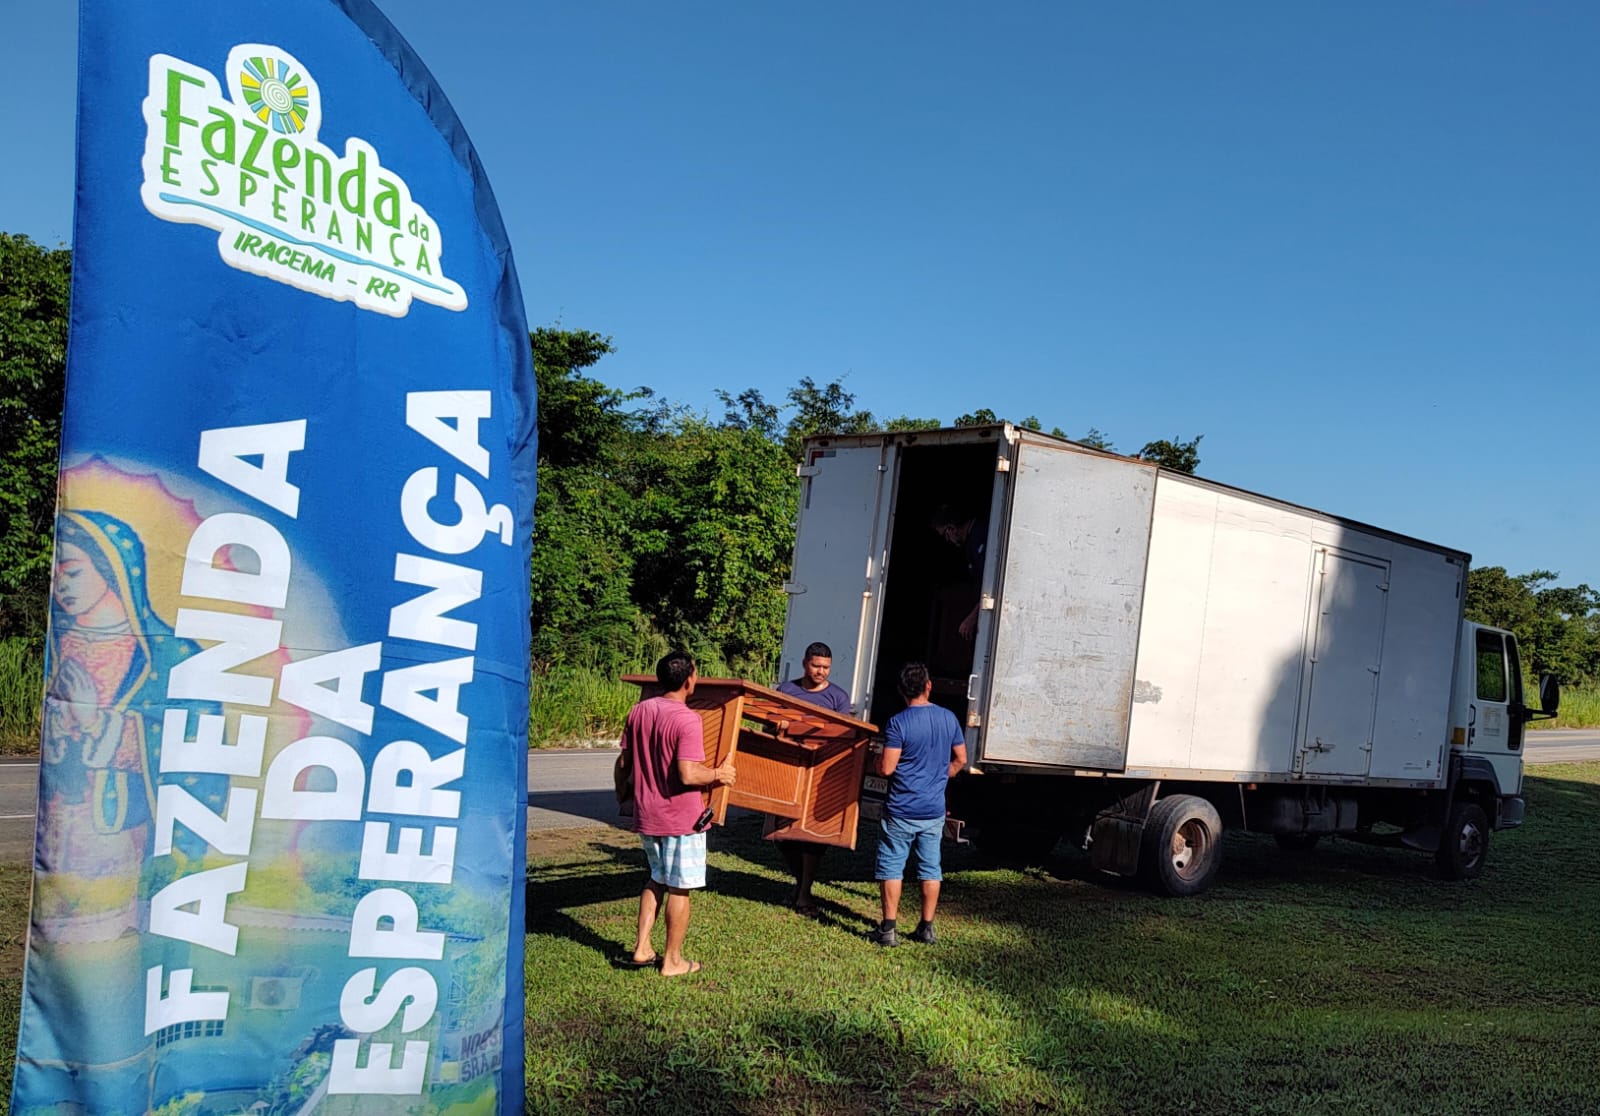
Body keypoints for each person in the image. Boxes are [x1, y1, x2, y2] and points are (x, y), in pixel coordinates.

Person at [615, 650, 737, 976]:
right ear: (689, 680)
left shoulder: (639, 711)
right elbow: (688, 774)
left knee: (655, 877)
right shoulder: (687, 719)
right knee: (679, 888)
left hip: (646, 814)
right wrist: (718, 774)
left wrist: (621, 794)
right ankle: (672, 961)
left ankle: (641, 948)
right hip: (681, 818)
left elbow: (623, 763)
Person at [868, 661, 967, 947]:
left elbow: (886, 768)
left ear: (901, 690)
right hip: (933, 809)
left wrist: (874, 758)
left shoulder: (898, 723)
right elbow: (960, 759)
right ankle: (926, 927)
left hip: (901, 808)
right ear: (928, 686)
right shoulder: (948, 718)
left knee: (891, 866)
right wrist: (942, 774)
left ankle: (888, 929)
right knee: (930, 868)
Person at [773, 641, 850, 916]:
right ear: (805, 663)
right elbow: (771, 725)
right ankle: (801, 886)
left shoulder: (838, 698)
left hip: (820, 774)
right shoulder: (787, 690)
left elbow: (843, 737)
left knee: (813, 839)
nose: (820, 672)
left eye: (826, 668)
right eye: (816, 666)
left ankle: (804, 893)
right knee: (781, 834)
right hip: (787, 771)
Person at [929, 504, 988, 640]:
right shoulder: (971, 543)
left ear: (952, 528)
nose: (947, 540)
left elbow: (992, 585)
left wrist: (973, 617)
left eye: (945, 534)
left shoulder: (980, 537)